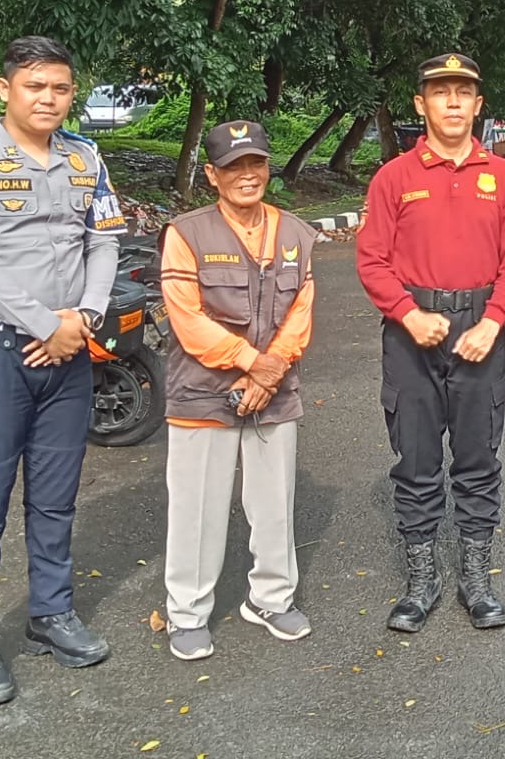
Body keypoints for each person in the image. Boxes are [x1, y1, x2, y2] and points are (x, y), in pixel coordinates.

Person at [0, 37, 126, 707]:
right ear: (4, 88)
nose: (48, 98)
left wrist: (85, 316)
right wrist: (47, 324)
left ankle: (51, 613)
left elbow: (104, 239)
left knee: (55, 497)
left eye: (60, 88)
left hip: (67, 353)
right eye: (35, 86)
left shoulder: (85, 158)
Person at [355, 53, 505, 632]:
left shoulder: (504, 178)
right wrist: (407, 314)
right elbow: (372, 259)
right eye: (440, 92)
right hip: (412, 335)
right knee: (416, 459)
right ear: (421, 103)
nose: (452, 102)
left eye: (462, 92)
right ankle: (421, 579)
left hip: (480, 330)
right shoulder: (393, 178)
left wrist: (493, 321)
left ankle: (475, 578)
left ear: (478, 105)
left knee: (478, 457)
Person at [158, 120, 317, 661]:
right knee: (197, 508)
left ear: (268, 168)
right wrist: (253, 364)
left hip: (275, 390)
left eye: (256, 164)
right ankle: (187, 613)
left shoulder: (296, 233)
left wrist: (269, 372)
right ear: (212, 175)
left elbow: (300, 314)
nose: (247, 175)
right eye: (233, 167)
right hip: (203, 391)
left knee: (274, 503)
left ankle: (271, 599)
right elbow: (187, 320)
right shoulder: (186, 233)